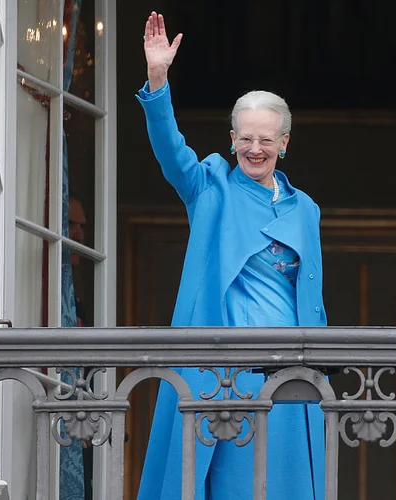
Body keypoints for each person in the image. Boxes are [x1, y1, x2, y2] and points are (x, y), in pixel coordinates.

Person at [135, 11, 327, 500]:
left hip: (288, 372)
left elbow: (311, 296)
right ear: (232, 140)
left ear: (284, 143)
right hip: (220, 372)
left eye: (266, 139)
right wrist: (158, 80)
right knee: (221, 485)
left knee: (284, 487)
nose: (254, 149)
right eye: (245, 138)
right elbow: (170, 151)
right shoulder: (210, 185)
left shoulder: (305, 208)